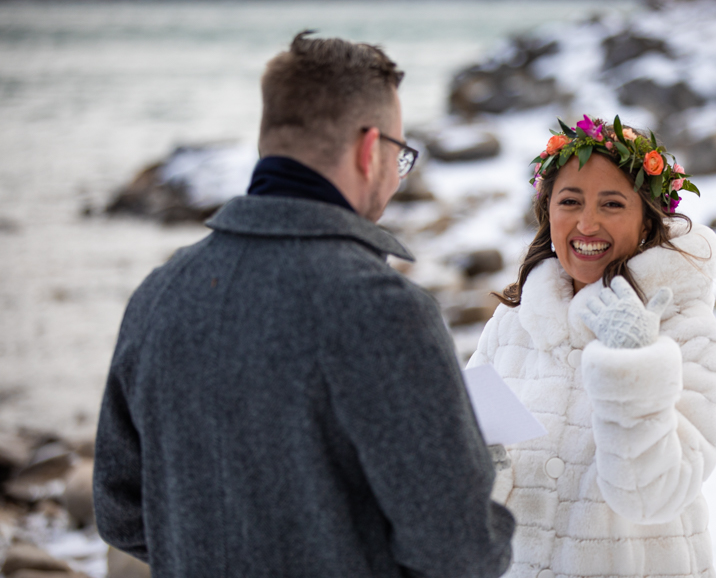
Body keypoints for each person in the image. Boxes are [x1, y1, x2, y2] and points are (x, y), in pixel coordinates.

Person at [93, 32, 515, 578]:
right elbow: (460, 549)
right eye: (399, 156)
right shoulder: (384, 311)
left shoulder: (159, 293)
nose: (396, 175)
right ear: (370, 151)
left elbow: (119, 513)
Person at [467, 115, 716, 578]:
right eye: (570, 201)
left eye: (612, 204)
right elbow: (477, 502)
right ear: (547, 210)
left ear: (648, 218)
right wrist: (477, 469)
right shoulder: (513, 323)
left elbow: (654, 496)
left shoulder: (691, 332)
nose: (587, 224)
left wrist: (634, 365)